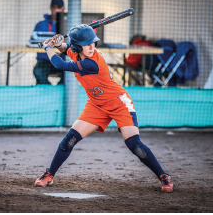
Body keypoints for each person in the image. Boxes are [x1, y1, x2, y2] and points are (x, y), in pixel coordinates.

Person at [34, 25, 174, 192]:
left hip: (118, 103)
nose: (92, 47)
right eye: (88, 44)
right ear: (78, 47)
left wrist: (48, 47)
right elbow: (68, 50)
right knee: (69, 139)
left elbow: (60, 65)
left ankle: (163, 175)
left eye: (93, 43)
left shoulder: (91, 62)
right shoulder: (78, 52)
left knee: (134, 145)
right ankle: (49, 174)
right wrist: (58, 44)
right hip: (97, 105)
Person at [31, 0, 66, 84]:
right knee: (38, 71)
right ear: (50, 8)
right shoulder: (41, 25)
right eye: (53, 7)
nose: (55, 10)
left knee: (72, 71)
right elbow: (33, 42)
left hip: (63, 60)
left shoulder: (68, 24)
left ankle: (60, 92)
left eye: (58, 8)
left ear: (63, 9)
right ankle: (48, 92)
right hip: (45, 61)